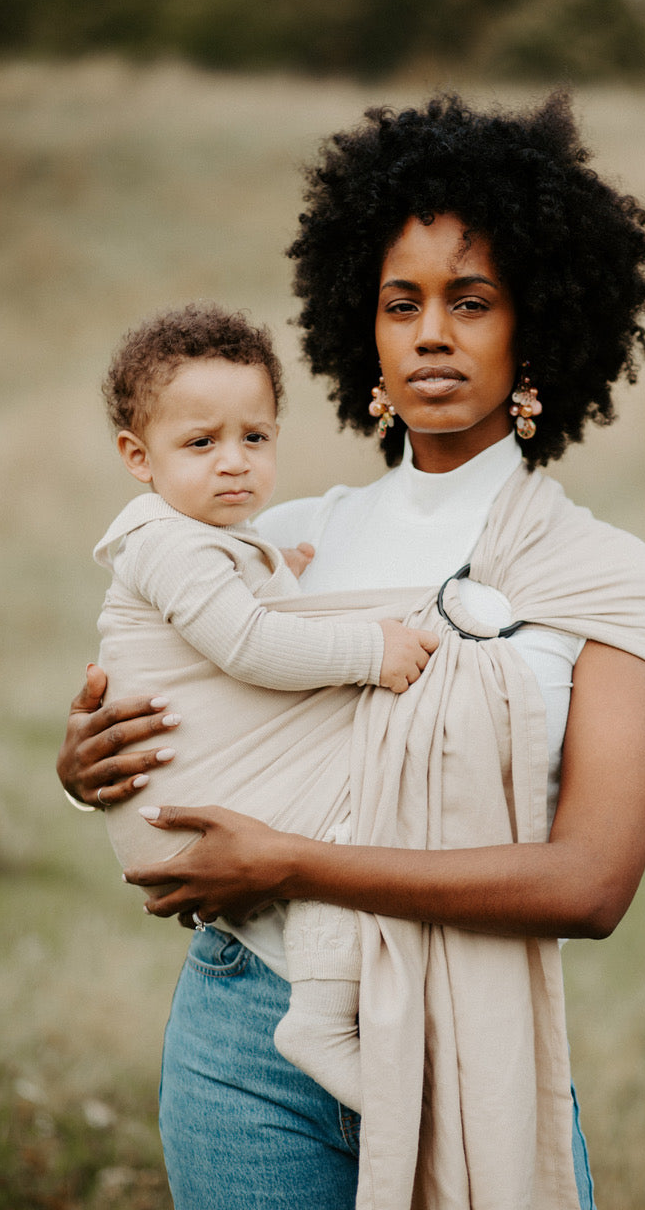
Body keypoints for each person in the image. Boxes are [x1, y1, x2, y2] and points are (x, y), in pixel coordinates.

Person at [57, 92, 645, 1210]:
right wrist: (90, 764)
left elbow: (591, 884)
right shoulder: (280, 541)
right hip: (244, 1034)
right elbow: (184, 707)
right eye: (401, 303)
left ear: (538, 323)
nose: (432, 330)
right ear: (364, 329)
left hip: (472, 1032)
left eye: (472, 300)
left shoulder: (600, 574)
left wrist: (293, 862)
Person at [91, 300, 438, 1113]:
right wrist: (371, 651)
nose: (234, 463)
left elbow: (235, 595)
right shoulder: (165, 546)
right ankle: (318, 1021)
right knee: (347, 831)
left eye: (255, 437)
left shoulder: (209, 539)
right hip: (180, 799)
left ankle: (322, 1012)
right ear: (137, 457)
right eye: (200, 443)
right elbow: (247, 644)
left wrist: (273, 563)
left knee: (339, 837)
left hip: (186, 783)